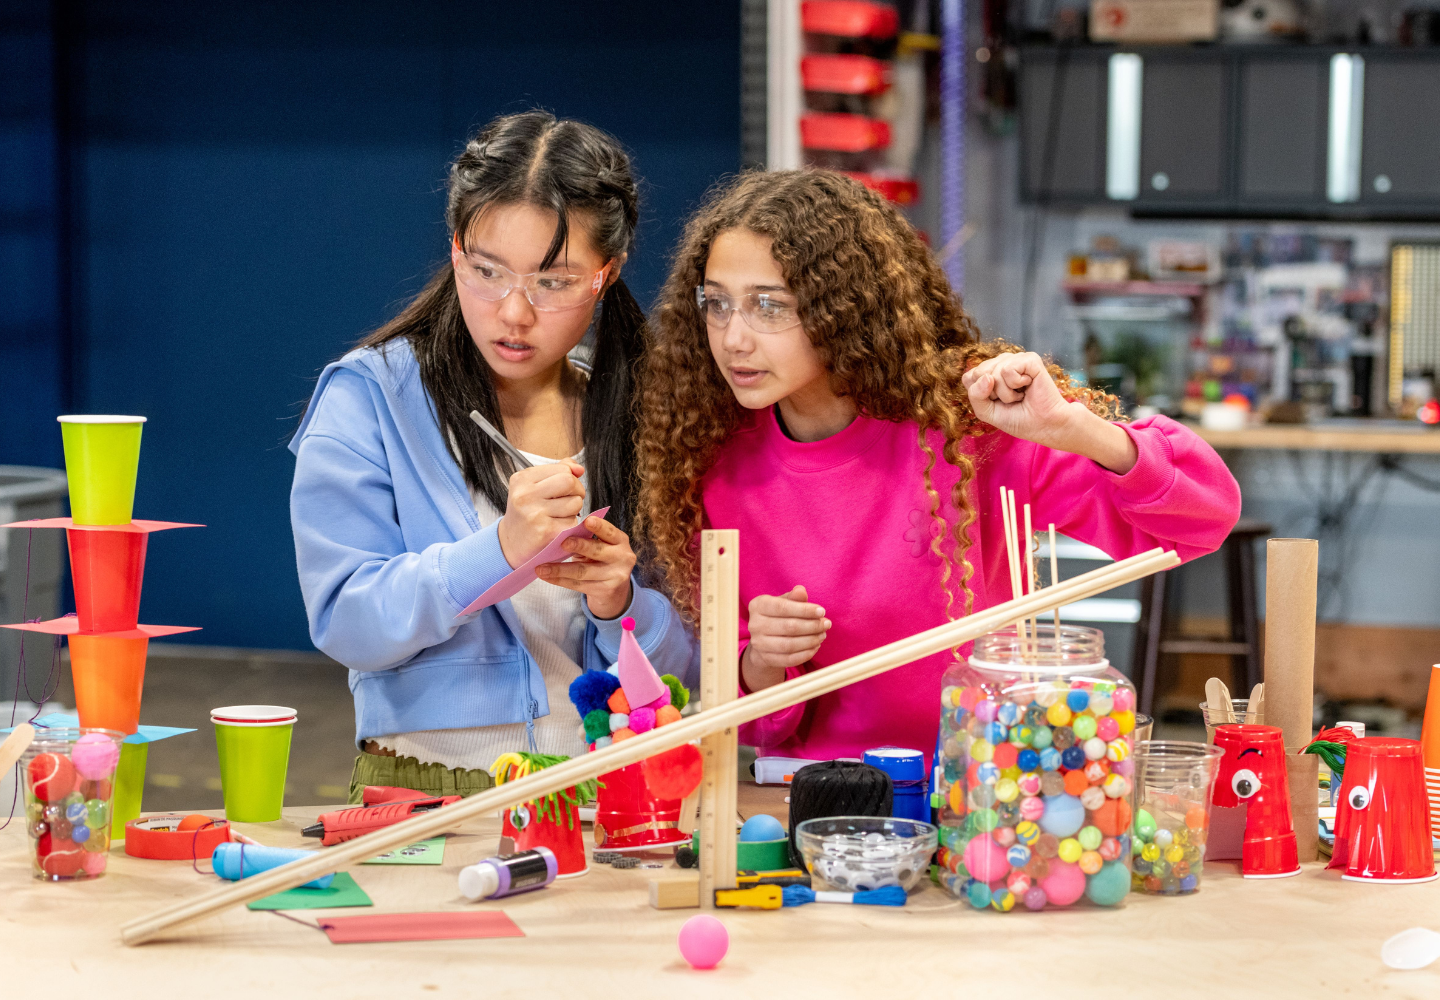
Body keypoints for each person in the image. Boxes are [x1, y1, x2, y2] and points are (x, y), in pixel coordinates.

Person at [635, 170, 1239, 766]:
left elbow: (1204, 519)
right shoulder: (714, 460)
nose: (733, 338)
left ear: (842, 307)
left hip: (991, 783)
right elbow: (751, 725)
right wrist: (762, 661)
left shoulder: (966, 428)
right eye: (717, 303)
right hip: (823, 792)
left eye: (769, 305)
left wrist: (1074, 429)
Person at [289, 112, 692, 802]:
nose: (513, 313)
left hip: (604, 793)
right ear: (455, 251)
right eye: (486, 271)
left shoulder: (640, 412)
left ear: (607, 274)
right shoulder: (372, 397)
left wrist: (620, 603)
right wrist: (500, 551)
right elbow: (346, 623)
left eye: (554, 282)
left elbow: (685, 669)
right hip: (424, 793)